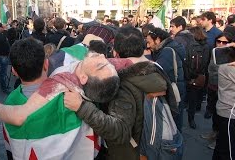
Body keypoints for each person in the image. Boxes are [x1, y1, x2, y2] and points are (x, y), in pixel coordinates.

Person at [64, 26, 181, 160]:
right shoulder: (154, 68)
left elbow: (120, 131)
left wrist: (81, 107)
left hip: (130, 153)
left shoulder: (122, 84)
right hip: (149, 147)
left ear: (115, 53)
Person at [146, 27, 186, 132]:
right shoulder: (166, 48)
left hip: (174, 89)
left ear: (158, 40)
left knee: (174, 121)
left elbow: (156, 70)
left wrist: (147, 57)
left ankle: (176, 143)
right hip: (175, 86)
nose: (148, 45)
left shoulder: (167, 51)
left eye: (149, 42)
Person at [212, 42, 235, 160]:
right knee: (228, 150)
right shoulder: (227, 68)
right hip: (229, 114)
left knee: (222, 145)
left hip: (227, 112)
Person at [0, 23, 11, 94]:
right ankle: (4, 88)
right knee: (3, 72)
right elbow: (4, 40)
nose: (3, 29)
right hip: (2, 56)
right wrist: (6, 31)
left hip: (0, 55)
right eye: (2, 28)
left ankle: (4, 86)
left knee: (2, 72)